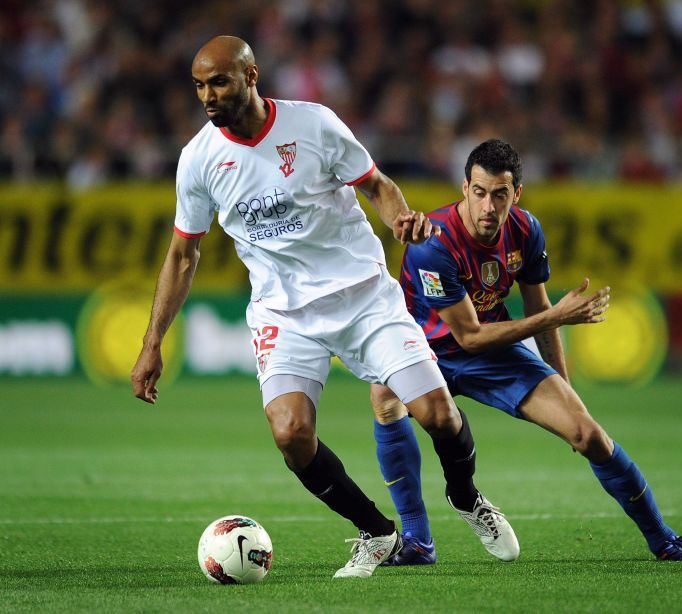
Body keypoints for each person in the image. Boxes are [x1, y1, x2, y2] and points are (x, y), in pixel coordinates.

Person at [130, 36, 519, 579]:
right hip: (282, 313)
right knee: (290, 433)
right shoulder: (198, 160)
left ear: (250, 76)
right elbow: (182, 253)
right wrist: (152, 344)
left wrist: (400, 219)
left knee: (438, 413)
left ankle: (465, 496)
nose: (207, 96)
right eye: (199, 86)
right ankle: (377, 532)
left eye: (218, 82)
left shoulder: (312, 125)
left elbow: (377, 185)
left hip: (363, 295)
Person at [371, 138, 682, 565]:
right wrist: (556, 318)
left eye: (500, 195)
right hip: (423, 351)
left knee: (587, 433)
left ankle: (664, 540)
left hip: (492, 351)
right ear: (464, 189)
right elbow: (470, 337)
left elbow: (537, 308)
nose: (488, 207)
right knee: (384, 397)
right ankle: (418, 540)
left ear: (516, 193)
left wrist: (569, 395)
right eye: (479, 192)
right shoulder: (433, 245)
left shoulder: (525, 230)